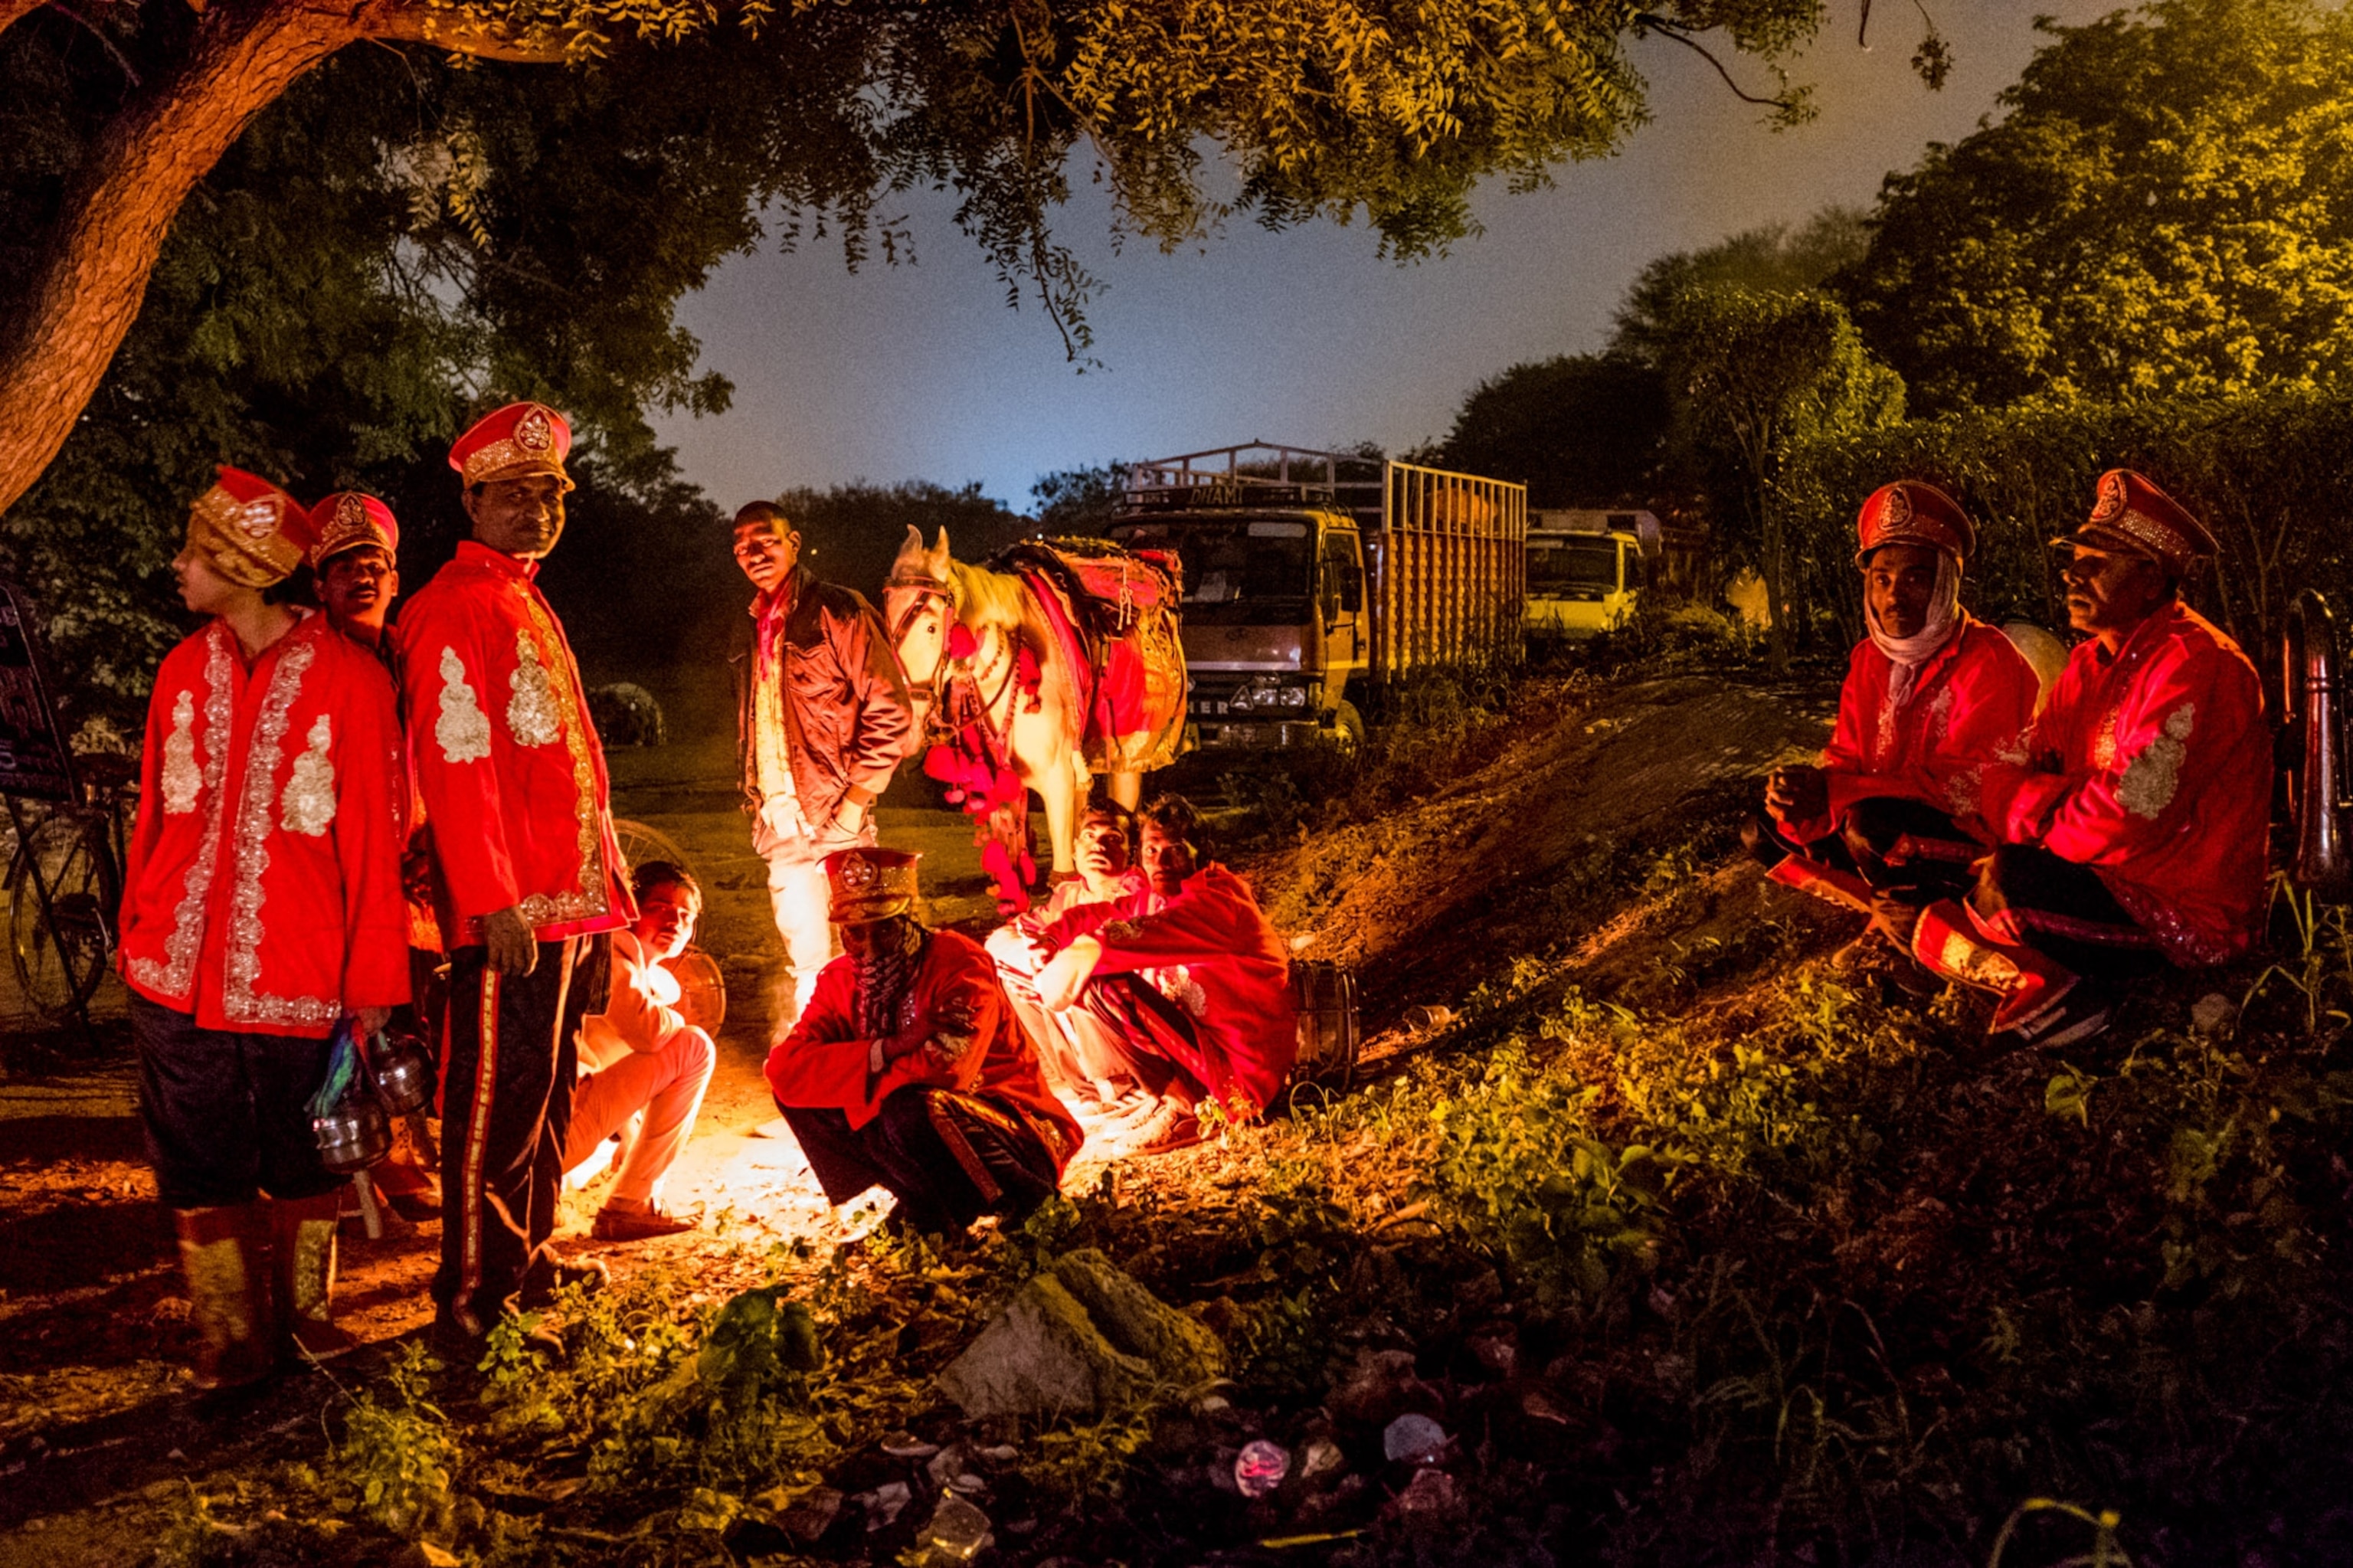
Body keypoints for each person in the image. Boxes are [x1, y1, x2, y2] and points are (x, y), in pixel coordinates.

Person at [118, 467, 410, 1390]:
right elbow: (152, 818)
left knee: (302, 1146)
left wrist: (371, 988)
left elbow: (372, 839)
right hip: (172, 964)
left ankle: (307, 1320)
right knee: (194, 1149)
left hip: (300, 968)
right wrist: (137, 929)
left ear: (248, 570)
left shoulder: (354, 683)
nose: (181, 567)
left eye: (200, 555)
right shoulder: (181, 669)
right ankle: (231, 1335)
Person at [394, 401, 634, 1352]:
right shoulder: (452, 606)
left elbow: (577, 770)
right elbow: (459, 766)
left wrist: (609, 904)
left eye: (550, 494)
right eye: (516, 495)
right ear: (472, 499)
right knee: (492, 1105)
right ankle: (472, 1302)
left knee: (546, 1095)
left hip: (567, 903)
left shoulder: (521, 594)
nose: (538, 510)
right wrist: (489, 899)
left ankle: (526, 1263)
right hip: (509, 912)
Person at [1912, 470, 2270, 1049]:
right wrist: (2034, 804)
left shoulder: (2199, 664)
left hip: (2180, 909)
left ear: (2153, 579)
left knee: (2007, 878)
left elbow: (2127, 812)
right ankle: (2051, 984)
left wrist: (2031, 819)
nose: (2073, 574)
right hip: (2092, 872)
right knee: (1933, 908)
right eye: (2074, 558)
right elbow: (2018, 768)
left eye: (2097, 561)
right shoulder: (2085, 664)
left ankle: (2056, 990)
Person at [1745, 481, 2042, 978]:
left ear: (1947, 582)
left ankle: (1916, 940)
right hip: (1884, 831)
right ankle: (1888, 914)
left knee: (1868, 824)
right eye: (1881, 579)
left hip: (1976, 847)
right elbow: (1847, 760)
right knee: (1765, 827)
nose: (1893, 597)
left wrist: (1837, 791)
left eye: (1915, 579)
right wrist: (1805, 795)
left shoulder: (1991, 660)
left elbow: (1966, 792)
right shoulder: (1868, 659)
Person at [764, 848, 1081, 1237]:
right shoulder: (839, 978)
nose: (871, 946)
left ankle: (1032, 1201)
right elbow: (783, 1070)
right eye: (854, 932)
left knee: (911, 1107)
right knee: (802, 1098)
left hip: (1015, 1129)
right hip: (914, 1124)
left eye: (884, 928)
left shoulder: (958, 962)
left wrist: (850, 1076)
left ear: (909, 920)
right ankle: (924, 1202)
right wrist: (891, 1048)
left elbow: (944, 1071)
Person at [304, 490, 440, 1223]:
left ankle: (407, 1134)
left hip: (406, 860)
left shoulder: (408, 650)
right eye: (344, 566)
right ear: (319, 585)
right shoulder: (309, 663)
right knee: (350, 1017)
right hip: (333, 867)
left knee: (408, 1010)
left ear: (394, 579)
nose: (362, 576)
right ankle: (367, 1155)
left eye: (375, 564)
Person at [729, 500, 915, 1025]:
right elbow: (756, 718)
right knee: (808, 960)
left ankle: (875, 1062)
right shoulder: (752, 625)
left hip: (838, 816)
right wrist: (757, 804)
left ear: (793, 542)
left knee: (866, 956)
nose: (754, 552)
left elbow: (892, 709)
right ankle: (822, 1059)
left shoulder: (839, 610)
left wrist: (855, 805)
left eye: (765, 539)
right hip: (779, 819)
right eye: (742, 545)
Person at [1030, 796, 1295, 1154]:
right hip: (1207, 1048)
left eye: (1175, 850)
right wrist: (1052, 936)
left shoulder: (1216, 904)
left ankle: (1193, 1110)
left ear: (1202, 852)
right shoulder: (1163, 896)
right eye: (1151, 850)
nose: (1161, 862)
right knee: (1094, 974)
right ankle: (1168, 1099)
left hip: (1241, 1078)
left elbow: (1114, 937)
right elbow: (1106, 913)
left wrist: (1076, 954)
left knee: (1102, 985)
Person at [561, 860, 718, 1240]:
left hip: (558, 1130)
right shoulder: (611, 956)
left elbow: (609, 1062)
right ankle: (634, 1203)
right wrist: (675, 1017)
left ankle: (564, 1193)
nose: (674, 922)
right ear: (630, 910)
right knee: (694, 1048)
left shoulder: (633, 966)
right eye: (659, 908)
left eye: (685, 915)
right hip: (552, 1133)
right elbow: (648, 1034)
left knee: (616, 1148)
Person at [985, 799, 1152, 1110]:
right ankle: (1085, 1088)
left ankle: (1123, 1083)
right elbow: (1025, 927)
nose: (1098, 847)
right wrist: (1034, 953)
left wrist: (1054, 959)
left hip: (1129, 1009)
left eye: (1112, 838)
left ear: (1131, 853)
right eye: (1089, 836)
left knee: (1076, 973)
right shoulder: (1069, 893)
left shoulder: (1137, 891)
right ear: (1074, 850)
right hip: (1070, 992)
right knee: (1015, 970)